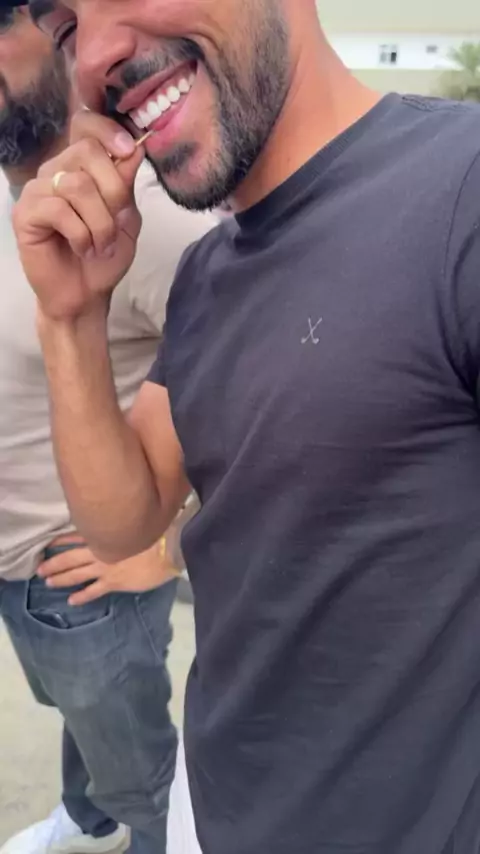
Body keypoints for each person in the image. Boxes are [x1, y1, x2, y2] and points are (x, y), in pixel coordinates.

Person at [9, 0, 480, 851]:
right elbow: (127, 518)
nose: (94, 56)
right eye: (67, 26)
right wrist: (70, 316)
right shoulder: (207, 271)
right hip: (212, 799)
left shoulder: (461, 188)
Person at [0, 6, 213, 854]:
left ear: (59, 36)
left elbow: (268, 383)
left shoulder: (151, 218)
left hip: (83, 583)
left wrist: (170, 542)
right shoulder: (17, 187)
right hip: (17, 568)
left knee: (139, 773)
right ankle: (86, 820)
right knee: (79, 726)